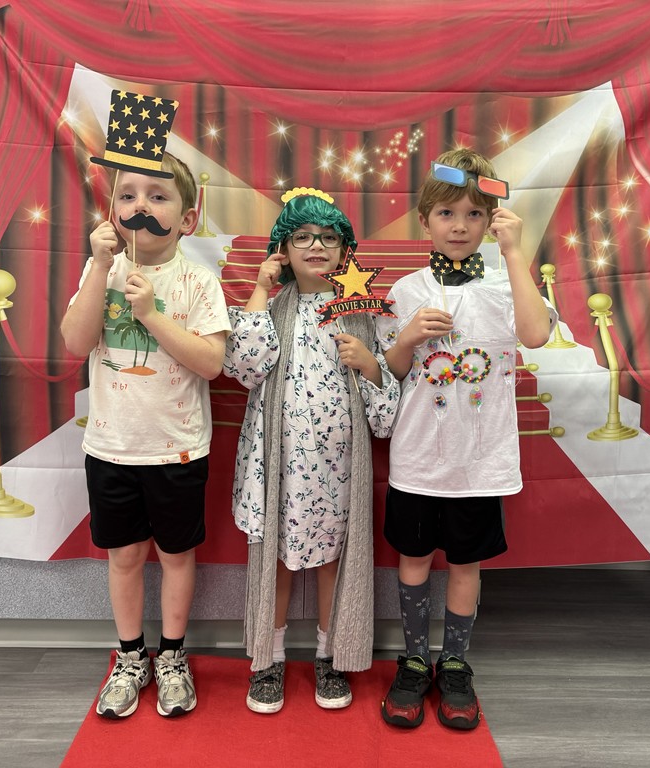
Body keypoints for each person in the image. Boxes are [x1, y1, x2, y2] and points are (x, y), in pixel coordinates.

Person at [376, 148, 556, 730]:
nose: (460, 226)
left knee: (465, 563)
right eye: (447, 213)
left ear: (490, 221)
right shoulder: (405, 289)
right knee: (413, 557)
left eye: (474, 215)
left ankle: (454, 664)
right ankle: (412, 659)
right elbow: (392, 371)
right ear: (424, 220)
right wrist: (405, 338)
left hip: (480, 462)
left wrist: (515, 253)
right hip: (417, 459)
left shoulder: (507, 287)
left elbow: (534, 335)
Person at [61, 154, 230, 719]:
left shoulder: (199, 282)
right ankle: (131, 656)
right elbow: (75, 341)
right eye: (128, 195)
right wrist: (97, 266)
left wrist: (152, 314)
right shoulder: (100, 272)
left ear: (187, 219)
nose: (141, 206)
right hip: (111, 447)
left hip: (177, 449)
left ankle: (173, 657)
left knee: (177, 556)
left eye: (158, 196)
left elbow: (211, 363)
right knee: (125, 556)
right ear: (112, 212)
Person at [224, 188, 400, 714]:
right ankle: (269, 660)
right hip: (275, 464)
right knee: (275, 558)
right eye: (302, 237)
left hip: (337, 467)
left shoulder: (364, 315)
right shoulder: (271, 309)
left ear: (344, 250)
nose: (316, 246)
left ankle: (329, 655)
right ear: (283, 248)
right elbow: (245, 366)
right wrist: (259, 287)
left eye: (327, 237)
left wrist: (369, 365)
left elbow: (388, 412)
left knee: (333, 560)